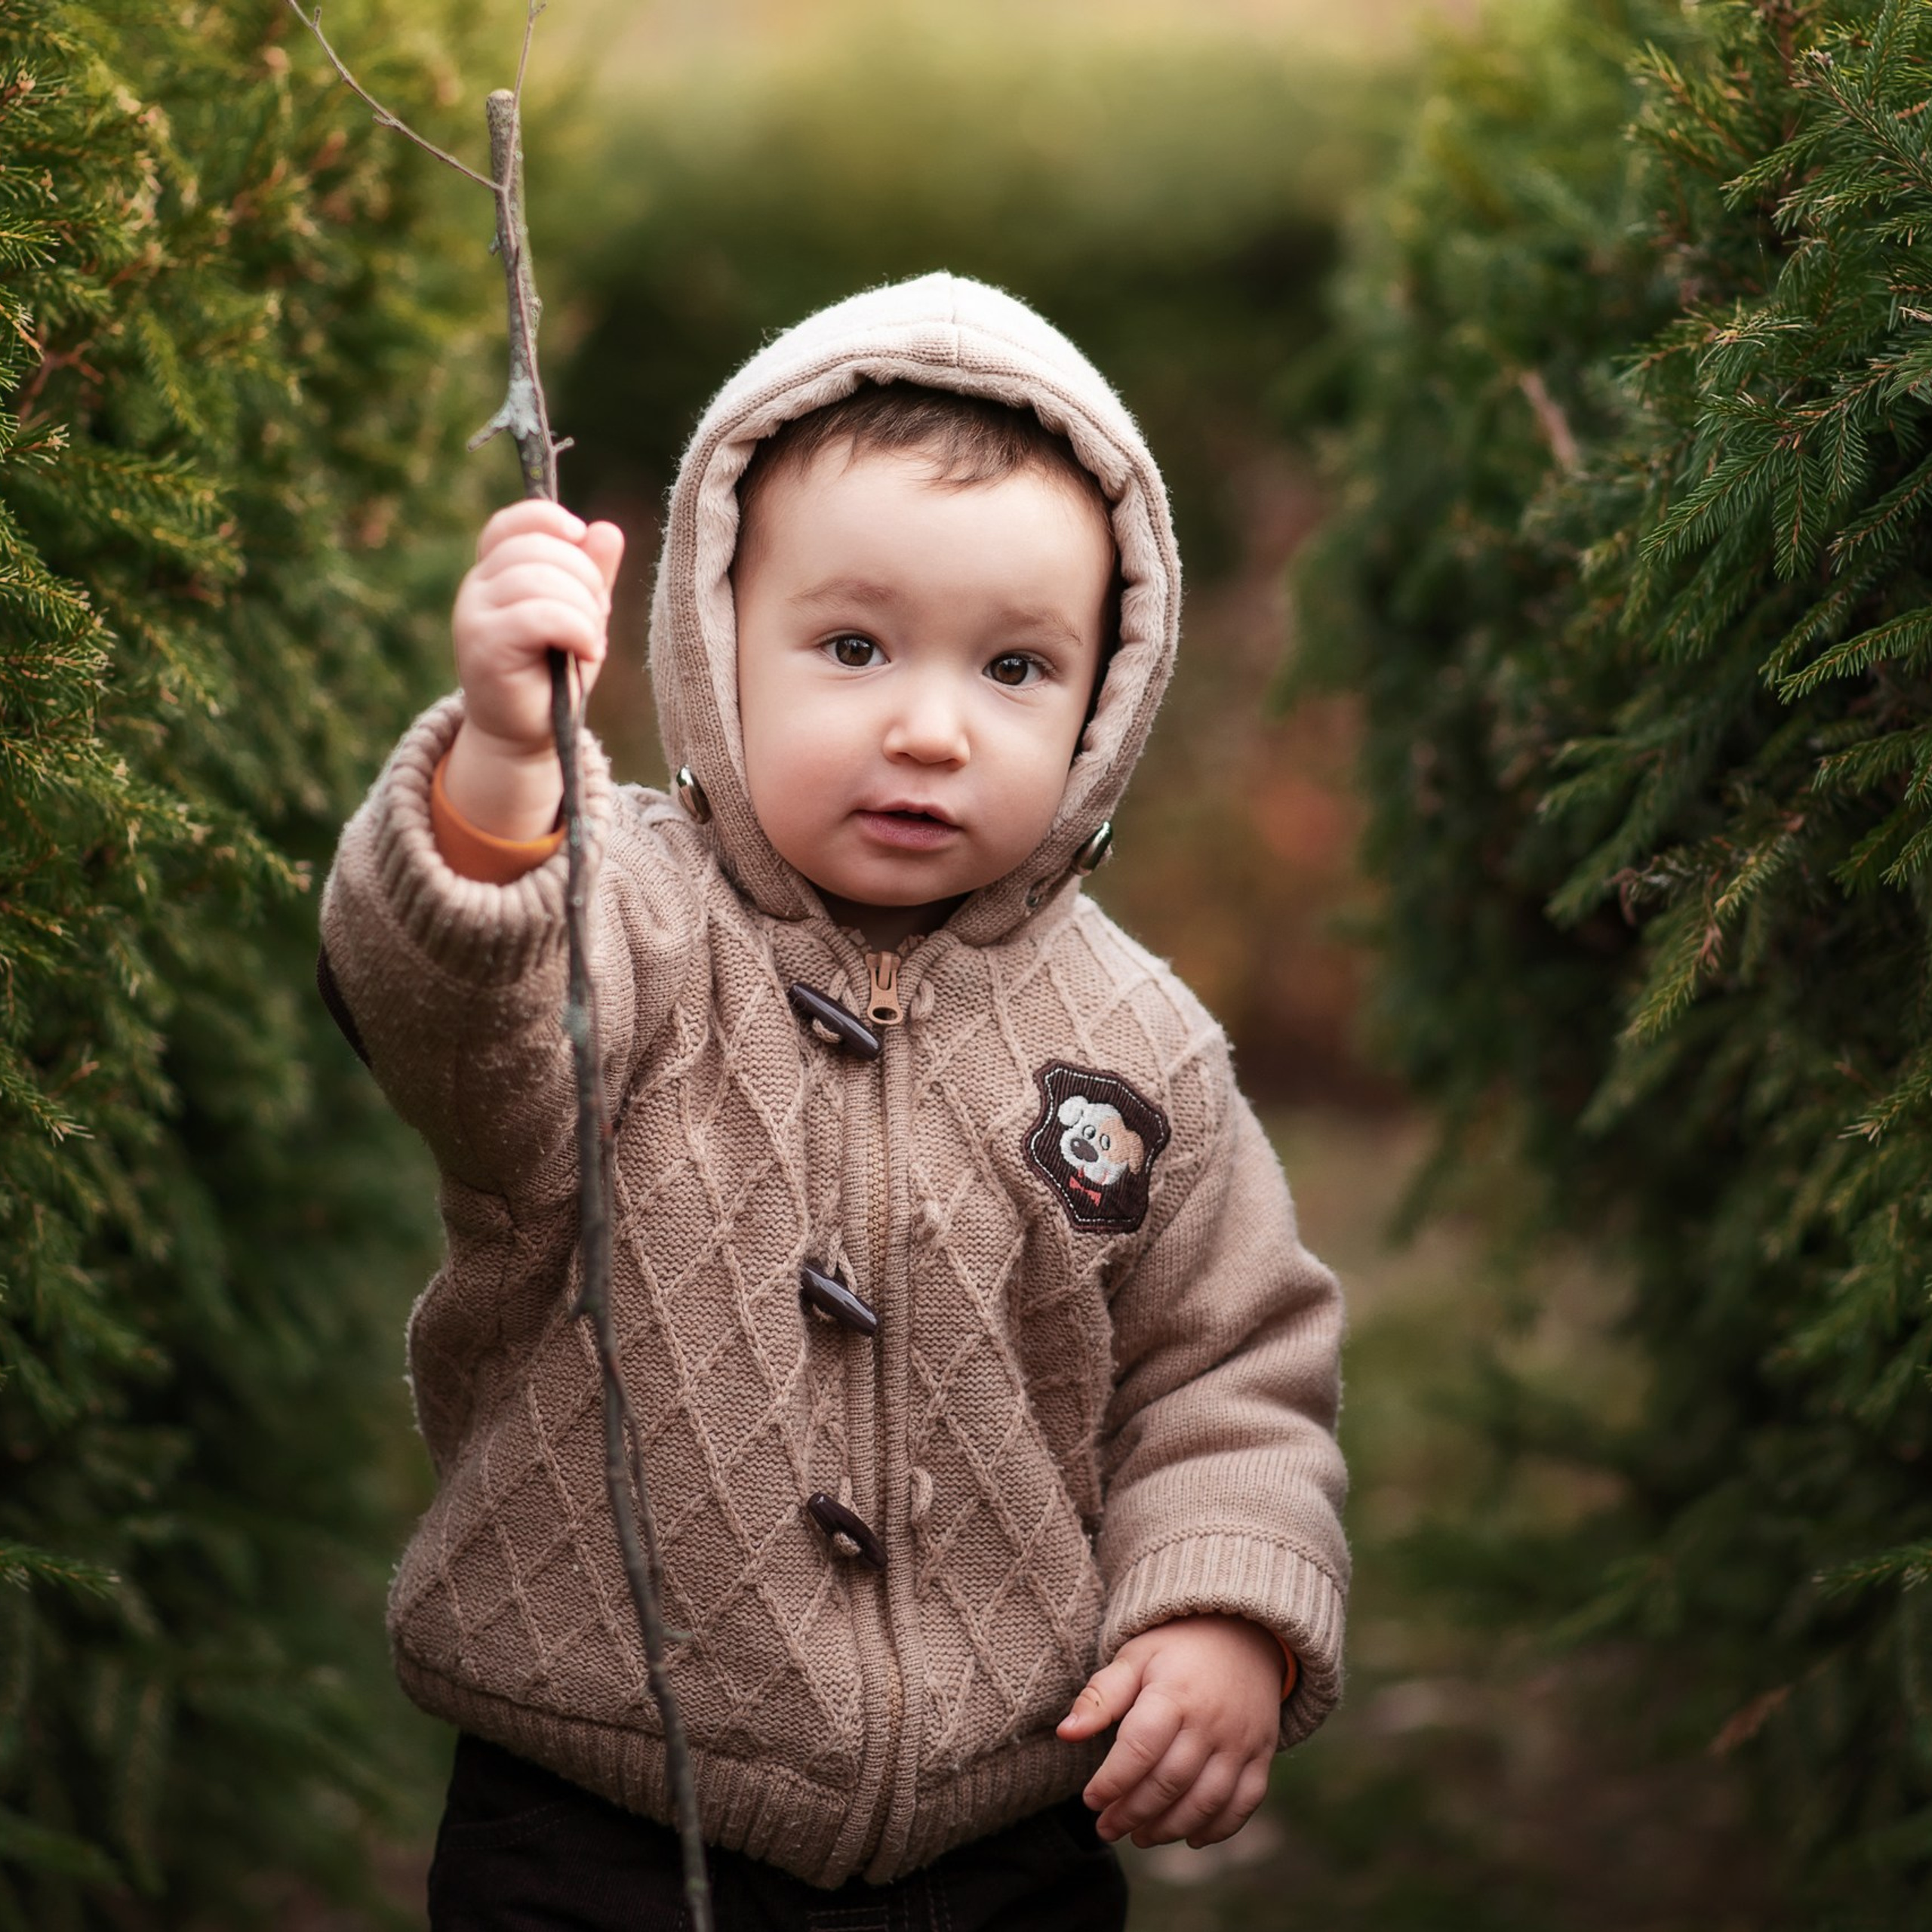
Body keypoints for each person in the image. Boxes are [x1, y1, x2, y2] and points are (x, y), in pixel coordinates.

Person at [319, 273, 1348, 1931]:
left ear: (1104, 695)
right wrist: (509, 770)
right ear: (718, 644)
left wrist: (1219, 1607)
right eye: (853, 646)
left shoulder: (1132, 1043)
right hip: (595, 1816)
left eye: (1014, 666)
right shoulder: (629, 921)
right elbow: (458, 1020)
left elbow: (1222, 1368)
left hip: (1005, 1825)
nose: (929, 728)